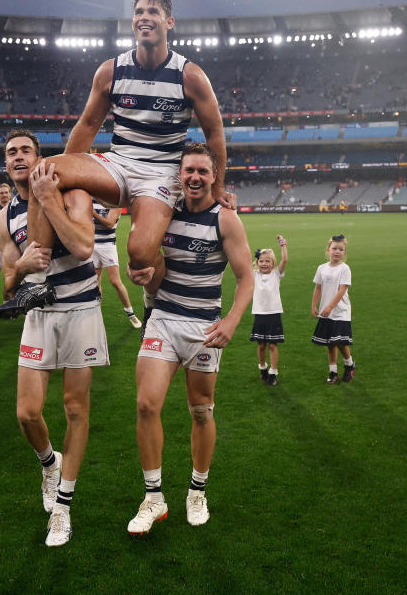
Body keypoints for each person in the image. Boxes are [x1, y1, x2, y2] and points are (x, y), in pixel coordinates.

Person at [0, 0, 229, 319]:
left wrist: (218, 188)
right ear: (133, 21)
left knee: (139, 254)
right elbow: (89, 123)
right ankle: (36, 284)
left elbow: (215, 134)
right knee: (44, 170)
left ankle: (153, 302)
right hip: (118, 163)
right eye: (138, 11)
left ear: (169, 22)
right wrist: (62, 176)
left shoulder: (189, 75)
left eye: (152, 11)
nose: (144, 16)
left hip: (162, 172)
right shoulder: (112, 70)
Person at [126, 143, 252, 535]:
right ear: (179, 175)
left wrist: (231, 320)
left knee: (201, 410)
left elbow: (247, 276)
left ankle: (197, 490)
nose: (195, 177)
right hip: (163, 319)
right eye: (189, 171)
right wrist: (140, 273)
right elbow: (145, 258)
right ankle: (153, 497)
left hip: (204, 329)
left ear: (214, 176)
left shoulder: (226, 219)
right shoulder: (164, 213)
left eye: (202, 171)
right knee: (147, 404)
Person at [0, 129, 108, 547]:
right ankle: (49, 463)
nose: (19, 156)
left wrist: (47, 199)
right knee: (27, 413)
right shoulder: (4, 218)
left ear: (40, 158)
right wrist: (22, 266)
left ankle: (62, 509)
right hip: (38, 314)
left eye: (26, 150)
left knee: (75, 409)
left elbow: (83, 246)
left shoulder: (73, 192)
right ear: (5, 165)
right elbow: (5, 287)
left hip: (80, 308)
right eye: (12, 152)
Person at [311, 234, 354, 384]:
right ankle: (333, 372)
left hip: (340, 311)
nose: (337, 251)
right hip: (325, 312)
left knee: (341, 342)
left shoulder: (345, 269)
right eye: (334, 248)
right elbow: (318, 288)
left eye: (341, 249)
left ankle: (349, 365)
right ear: (328, 249)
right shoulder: (321, 268)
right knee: (330, 343)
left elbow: (342, 290)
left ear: (344, 252)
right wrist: (314, 305)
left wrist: (330, 306)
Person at [91, 201, 142, 328]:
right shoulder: (91, 200)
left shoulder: (115, 203)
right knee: (95, 282)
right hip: (92, 245)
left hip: (107, 246)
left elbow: (109, 224)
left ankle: (131, 314)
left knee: (115, 281)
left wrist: (91, 212)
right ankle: (97, 316)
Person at [250, 235, 288, 386]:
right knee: (261, 345)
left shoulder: (276, 274)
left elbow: (284, 260)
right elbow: (243, 261)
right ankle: (263, 368)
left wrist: (283, 245)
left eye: (268, 261)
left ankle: (273, 372)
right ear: (257, 262)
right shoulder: (254, 275)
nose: (264, 264)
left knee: (272, 345)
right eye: (261, 261)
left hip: (274, 314)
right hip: (259, 314)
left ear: (273, 263)